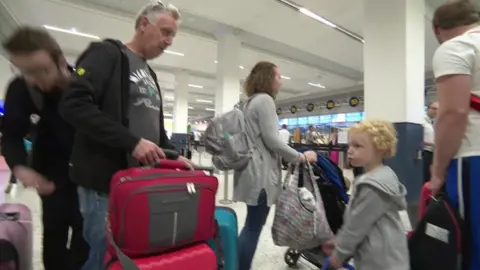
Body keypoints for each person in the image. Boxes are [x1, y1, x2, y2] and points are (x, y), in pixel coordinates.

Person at [59, 2, 190, 269]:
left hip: (137, 184)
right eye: (165, 32)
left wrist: (176, 158)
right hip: (104, 185)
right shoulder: (107, 54)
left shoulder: (149, 73)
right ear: (143, 24)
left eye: (173, 35)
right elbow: (74, 104)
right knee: (101, 256)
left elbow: (155, 132)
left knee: (124, 257)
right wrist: (133, 143)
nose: (169, 41)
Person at [1, 27, 89, 270]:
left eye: (42, 70)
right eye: (26, 71)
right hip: (50, 179)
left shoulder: (84, 84)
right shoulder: (21, 89)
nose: (35, 79)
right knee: (53, 238)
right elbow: (11, 135)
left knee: (87, 241)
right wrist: (20, 167)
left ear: (61, 62)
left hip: (89, 179)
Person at [235, 61, 317, 270]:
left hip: (248, 172)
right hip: (260, 175)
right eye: (278, 76)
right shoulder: (265, 101)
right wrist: (300, 157)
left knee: (250, 225)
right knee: (254, 227)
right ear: (267, 79)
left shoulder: (248, 102)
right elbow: (273, 140)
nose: (281, 80)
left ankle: (235, 264)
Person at [430, 1, 480, 269]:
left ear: (436, 29)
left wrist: (437, 173)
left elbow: (453, 113)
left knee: (470, 243)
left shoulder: (457, 47)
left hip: (472, 158)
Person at [323, 119, 408, 269]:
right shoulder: (384, 175)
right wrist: (339, 240)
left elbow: (356, 226)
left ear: (380, 149)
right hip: (388, 255)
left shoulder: (373, 186)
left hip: (379, 262)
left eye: (357, 146)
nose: (349, 150)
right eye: (349, 145)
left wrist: (339, 254)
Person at [422, 101, 438, 183]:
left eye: (438, 109)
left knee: (431, 175)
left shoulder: (433, 123)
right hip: (425, 152)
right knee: (425, 175)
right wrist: (432, 144)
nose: (436, 111)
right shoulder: (422, 121)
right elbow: (418, 138)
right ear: (428, 109)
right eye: (434, 109)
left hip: (433, 152)